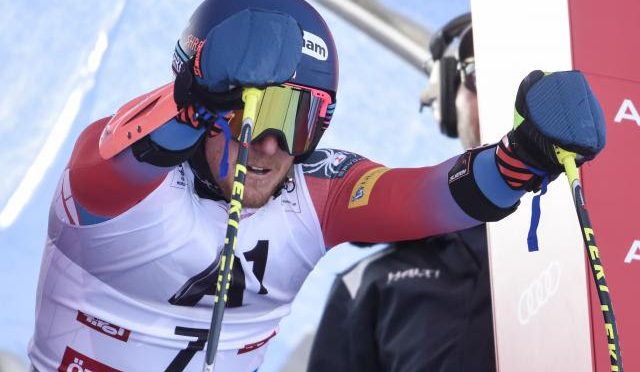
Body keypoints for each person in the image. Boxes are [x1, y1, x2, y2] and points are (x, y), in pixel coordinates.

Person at [28, 0, 606, 371]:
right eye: (257, 110)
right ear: (207, 101)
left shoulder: (315, 192)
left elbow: (430, 194)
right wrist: (188, 99)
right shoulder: (119, 187)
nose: (272, 144)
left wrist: (523, 158)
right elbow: (106, 162)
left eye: (300, 120)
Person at [307, 16, 496, 372]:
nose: (509, 95)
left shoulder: (611, 239)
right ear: (449, 92)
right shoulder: (369, 283)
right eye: (481, 75)